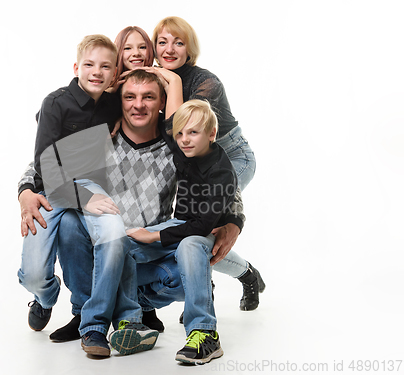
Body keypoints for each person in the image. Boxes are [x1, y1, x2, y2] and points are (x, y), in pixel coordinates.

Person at [17, 70, 247, 344]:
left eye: (148, 97)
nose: (139, 105)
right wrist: (26, 190)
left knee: (185, 273)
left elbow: (217, 174)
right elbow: (45, 165)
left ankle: (133, 309)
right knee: (68, 221)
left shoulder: (178, 145)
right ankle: (86, 311)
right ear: (120, 102)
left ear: (162, 102)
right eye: (130, 97)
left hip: (145, 253)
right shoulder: (101, 139)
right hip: (98, 254)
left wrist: (235, 220)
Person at [17, 34, 158, 358]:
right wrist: (72, 197)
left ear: (114, 74)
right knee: (36, 274)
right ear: (76, 67)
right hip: (49, 189)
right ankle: (44, 298)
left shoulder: (111, 102)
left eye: (105, 67)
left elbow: (134, 91)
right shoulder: (56, 102)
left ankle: (94, 325)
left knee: (113, 233)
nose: (97, 72)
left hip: (90, 186)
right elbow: (45, 164)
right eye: (90, 65)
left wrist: (129, 76)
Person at [110, 99, 243, 364]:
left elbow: (203, 224)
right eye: (180, 133)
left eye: (193, 132)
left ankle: (204, 333)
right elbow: (161, 123)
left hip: (203, 231)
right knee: (124, 245)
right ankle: (132, 320)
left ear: (211, 134)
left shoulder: (222, 172)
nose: (184, 139)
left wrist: (155, 235)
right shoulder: (183, 147)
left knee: (190, 245)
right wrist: (114, 117)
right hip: (179, 222)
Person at [150, 16, 265, 313]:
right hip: (193, 166)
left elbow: (178, 131)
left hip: (231, 158)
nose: (169, 49)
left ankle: (231, 281)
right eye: (162, 42)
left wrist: (234, 220)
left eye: (178, 42)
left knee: (202, 231)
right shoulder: (155, 81)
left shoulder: (206, 82)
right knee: (196, 232)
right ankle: (234, 277)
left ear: (190, 49)